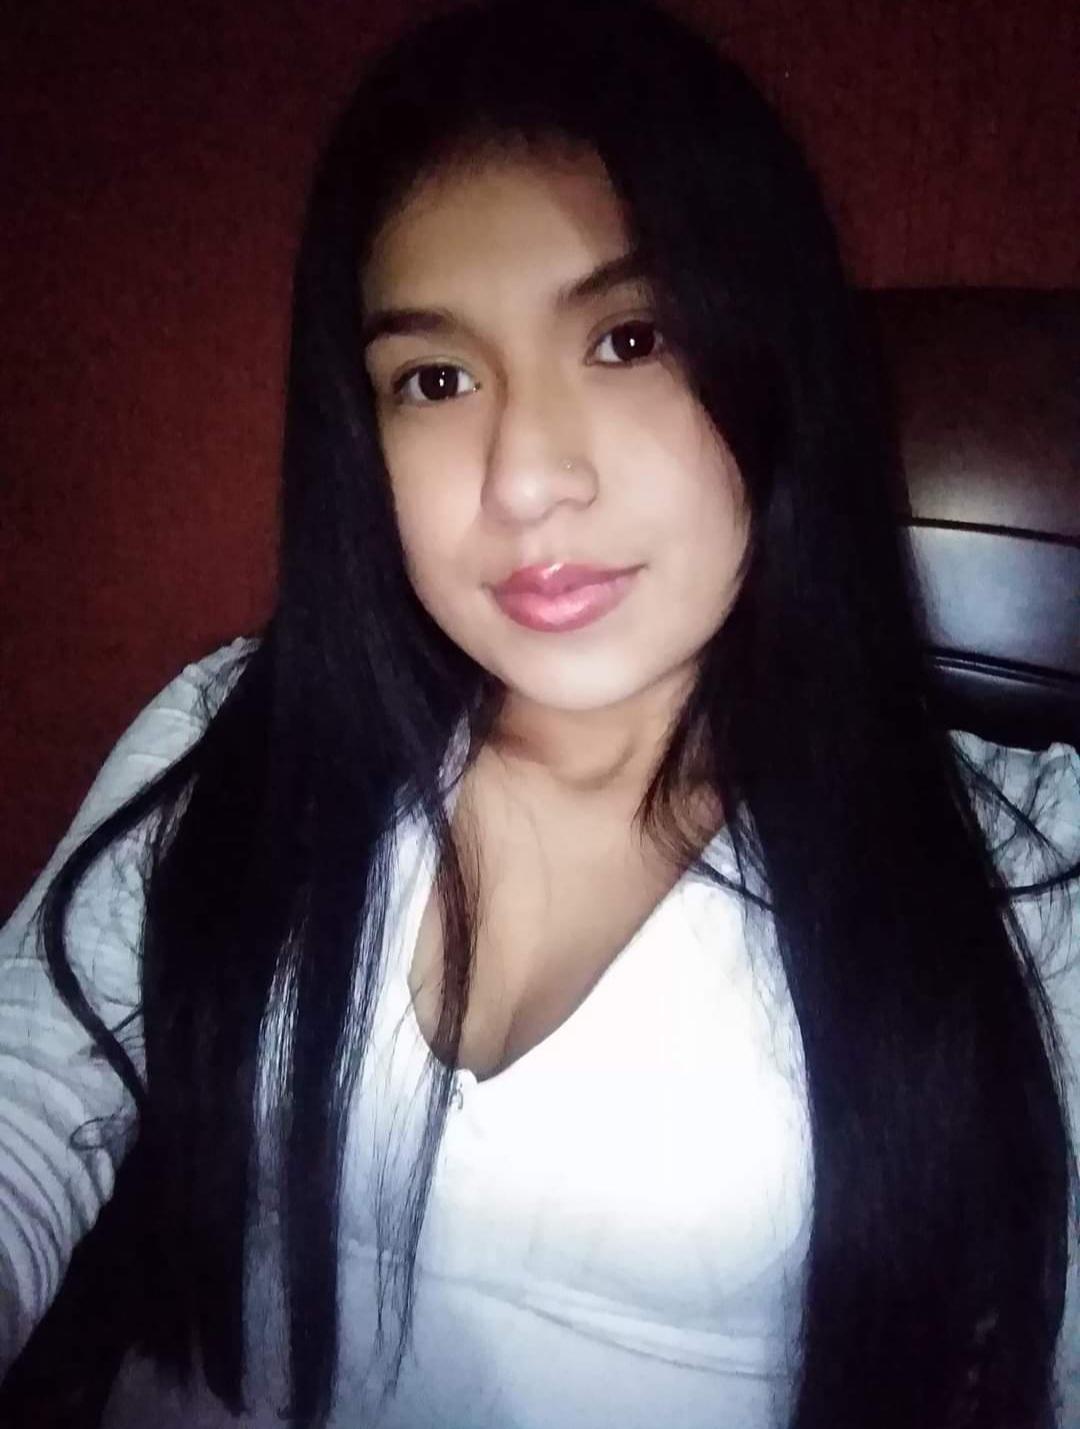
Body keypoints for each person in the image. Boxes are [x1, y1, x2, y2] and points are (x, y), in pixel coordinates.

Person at [1, 0, 1078, 1425]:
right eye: (435, 380)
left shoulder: (1026, 867)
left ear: (774, 361)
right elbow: (27, 1112)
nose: (522, 478)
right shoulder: (237, 732)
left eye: (629, 338)